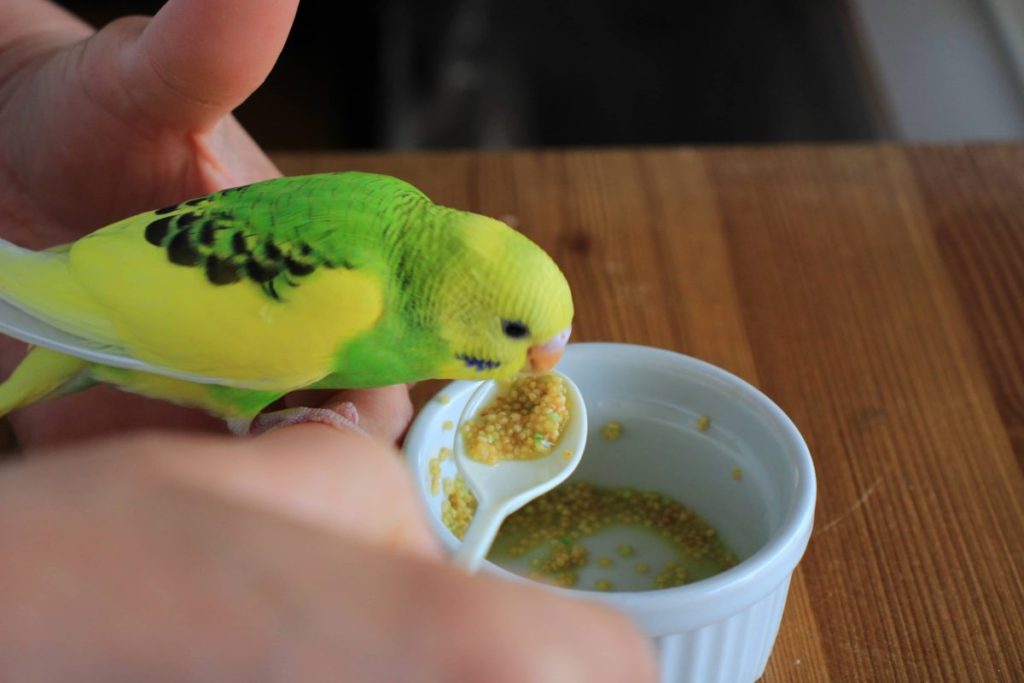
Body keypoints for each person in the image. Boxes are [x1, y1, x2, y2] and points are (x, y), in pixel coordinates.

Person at [0, 1, 656, 680]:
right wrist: (289, 417)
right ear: (462, 298)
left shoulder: (389, 202)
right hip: (112, 318)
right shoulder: (354, 300)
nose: (540, 360)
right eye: (520, 334)